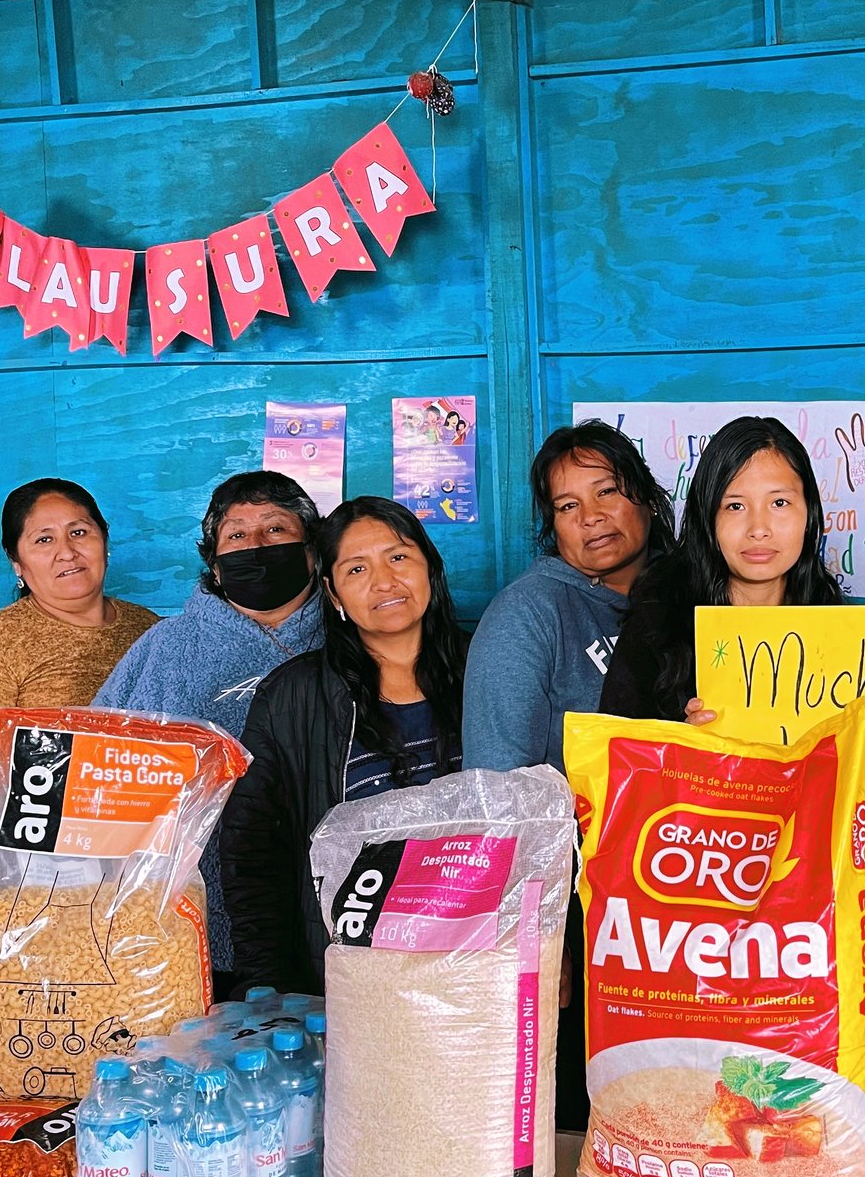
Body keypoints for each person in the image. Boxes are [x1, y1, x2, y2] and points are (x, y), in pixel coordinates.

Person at [220, 497, 465, 994]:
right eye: (357, 568)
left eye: (398, 558)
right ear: (333, 594)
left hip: (477, 965)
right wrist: (269, 988)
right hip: (348, 981)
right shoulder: (292, 696)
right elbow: (252, 856)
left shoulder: (489, 667)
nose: (384, 582)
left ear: (430, 569)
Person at [93, 471, 324, 996]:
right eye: (237, 536)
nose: (257, 546)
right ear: (214, 564)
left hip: (328, 909)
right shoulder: (162, 648)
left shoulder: (351, 642)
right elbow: (95, 765)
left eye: (275, 530)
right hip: (180, 915)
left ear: (312, 553)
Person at [0, 478, 157, 871]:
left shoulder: (150, 631)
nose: (67, 553)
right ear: (17, 563)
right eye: (43, 540)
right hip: (37, 869)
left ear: (104, 540)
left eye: (79, 532)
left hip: (144, 861)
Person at [463, 419, 674, 772]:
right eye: (567, 506)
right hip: (573, 826)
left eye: (606, 491)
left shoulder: (694, 593)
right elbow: (495, 780)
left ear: (649, 499)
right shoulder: (526, 614)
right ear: (554, 527)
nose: (591, 517)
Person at [600, 415, 842, 721]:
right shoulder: (658, 623)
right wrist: (681, 747)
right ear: (708, 519)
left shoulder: (834, 621)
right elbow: (617, 753)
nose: (759, 529)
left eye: (779, 503)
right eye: (735, 506)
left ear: (809, 514)